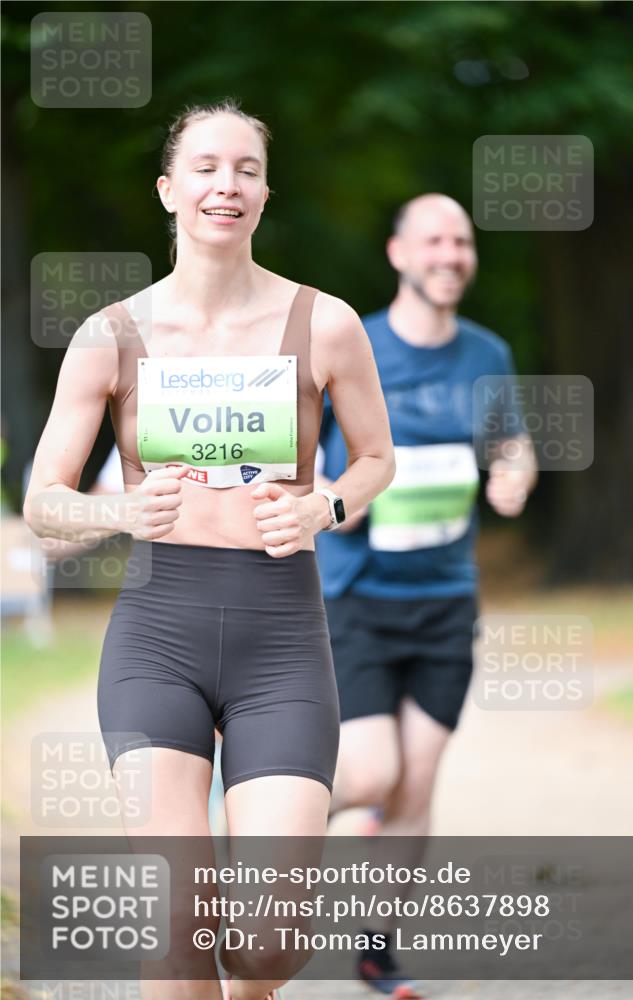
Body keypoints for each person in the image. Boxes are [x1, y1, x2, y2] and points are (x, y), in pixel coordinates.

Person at [23, 100, 394, 1000]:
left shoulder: (325, 323)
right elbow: (41, 504)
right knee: (178, 930)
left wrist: (325, 506)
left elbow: (378, 458)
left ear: (265, 194)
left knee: (265, 947)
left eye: (246, 170)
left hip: (282, 641)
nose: (225, 185)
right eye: (204, 167)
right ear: (168, 189)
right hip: (157, 635)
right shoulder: (113, 334)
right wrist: (119, 513)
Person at [317, 193, 537, 997]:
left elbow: (508, 441)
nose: (450, 253)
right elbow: (298, 458)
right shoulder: (354, 344)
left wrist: (515, 473)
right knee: (370, 774)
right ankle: (256, 804)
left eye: (462, 241)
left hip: (447, 599)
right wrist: (332, 499)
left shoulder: (487, 353)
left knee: (414, 786)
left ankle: (375, 951)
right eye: (434, 240)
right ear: (398, 253)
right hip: (356, 593)